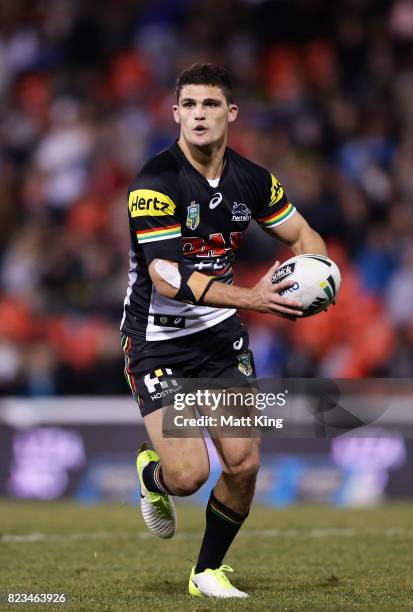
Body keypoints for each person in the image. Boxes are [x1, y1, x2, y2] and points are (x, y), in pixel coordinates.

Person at [121, 63, 327, 598]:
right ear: (175, 114)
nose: (198, 115)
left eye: (210, 105)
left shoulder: (253, 180)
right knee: (188, 477)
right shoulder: (154, 183)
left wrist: (321, 279)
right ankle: (153, 477)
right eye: (188, 105)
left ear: (230, 113)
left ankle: (206, 572)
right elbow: (166, 278)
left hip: (218, 341)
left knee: (243, 462)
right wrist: (255, 298)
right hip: (157, 342)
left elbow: (302, 234)